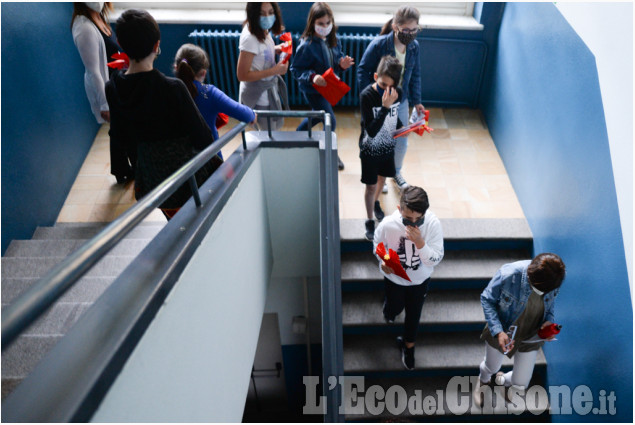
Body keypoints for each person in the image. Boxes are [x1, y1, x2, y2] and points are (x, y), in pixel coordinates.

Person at [105, 9, 218, 220]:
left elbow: (120, 136)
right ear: (157, 46)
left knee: (173, 218)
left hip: (151, 179)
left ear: (120, 43)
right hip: (186, 177)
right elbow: (203, 138)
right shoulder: (173, 88)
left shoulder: (112, 88)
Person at [473, 253, 566, 406]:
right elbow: (487, 299)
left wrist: (549, 322)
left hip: (530, 335)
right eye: (539, 290)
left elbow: (550, 306)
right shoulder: (509, 274)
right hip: (503, 330)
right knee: (492, 366)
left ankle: (502, 381)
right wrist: (498, 331)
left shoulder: (553, 280)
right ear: (532, 279)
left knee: (521, 383)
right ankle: (483, 381)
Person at [373, 186, 444, 370]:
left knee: (414, 314)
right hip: (394, 279)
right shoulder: (388, 224)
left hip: (419, 282)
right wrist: (383, 261)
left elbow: (435, 259)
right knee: (394, 307)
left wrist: (421, 243)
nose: (413, 224)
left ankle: (408, 346)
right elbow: (377, 244)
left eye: (418, 220)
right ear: (399, 209)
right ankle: (389, 310)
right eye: (407, 219)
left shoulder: (433, 224)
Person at [357, 6, 424, 192]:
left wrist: (417, 101)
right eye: (406, 30)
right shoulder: (379, 44)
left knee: (401, 140)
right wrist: (370, 96)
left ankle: (396, 172)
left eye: (414, 30)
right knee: (381, 140)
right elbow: (363, 69)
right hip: (379, 101)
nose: (410, 34)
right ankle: (381, 177)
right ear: (395, 27)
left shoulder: (414, 48)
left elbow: (416, 74)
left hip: (400, 101)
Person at [72, 2, 135, 184]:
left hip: (117, 83)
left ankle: (121, 170)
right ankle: (127, 171)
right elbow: (94, 72)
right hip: (108, 89)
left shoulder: (98, 15)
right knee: (123, 130)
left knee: (119, 130)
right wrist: (104, 104)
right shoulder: (84, 27)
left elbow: (110, 53)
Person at [290, 2, 354, 171]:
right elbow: (296, 70)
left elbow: (335, 63)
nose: (325, 27)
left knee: (319, 116)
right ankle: (331, 153)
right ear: (313, 23)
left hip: (328, 88)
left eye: (327, 23)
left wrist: (342, 64)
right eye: (320, 24)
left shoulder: (333, 40)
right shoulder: (306, 46)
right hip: (313, 90)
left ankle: (298, 132)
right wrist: (312, 77)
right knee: (329, 120)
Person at [174, 43, 256, 157]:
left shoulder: (168, 91)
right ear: (203, 73)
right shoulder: (208, 93)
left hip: (179, 160)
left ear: (176, 68)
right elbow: (244, 114)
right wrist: (252, 115)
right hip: (209, 159)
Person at [359, 56, 404, 240]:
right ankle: (369, 219)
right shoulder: (367, 96)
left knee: (381, 180)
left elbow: (394, 118)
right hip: (370, 148)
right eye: (382, 84)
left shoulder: (396, 93)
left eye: (390, 87)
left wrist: (403, 127)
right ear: (376, 76)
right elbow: (370, 130)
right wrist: (385, 107)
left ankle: (376, 202)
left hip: (387, 147)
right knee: (370, 186)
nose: (387, 90)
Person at [236, 2, 289, 132]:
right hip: (260, 95)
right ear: (253, 14)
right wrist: (275, 70)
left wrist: (275, 48)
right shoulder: (250, 38)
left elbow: (259, 53)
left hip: (267, 89)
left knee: (273, 129)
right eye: (262, 13)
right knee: (268, 133)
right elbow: (242, 75)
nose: (267, 17)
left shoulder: (262, 28)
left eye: (270, 12)